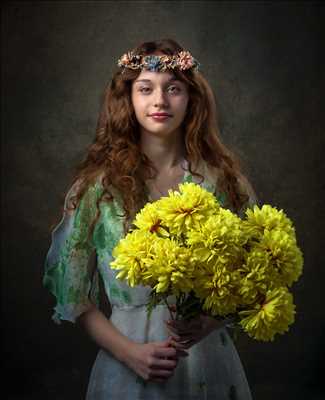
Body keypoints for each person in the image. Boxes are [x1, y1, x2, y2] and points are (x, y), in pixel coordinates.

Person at [43, 38, 258, 399]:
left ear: (192, 99)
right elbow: (75, 295)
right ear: (128, 98)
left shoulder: (224, 182)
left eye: (173, 89)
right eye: (145, 89)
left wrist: (208, 322)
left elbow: (253, 272)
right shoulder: (98, 188)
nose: (159, 101)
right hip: (126, 357)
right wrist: (131, 354)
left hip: (206, 359)